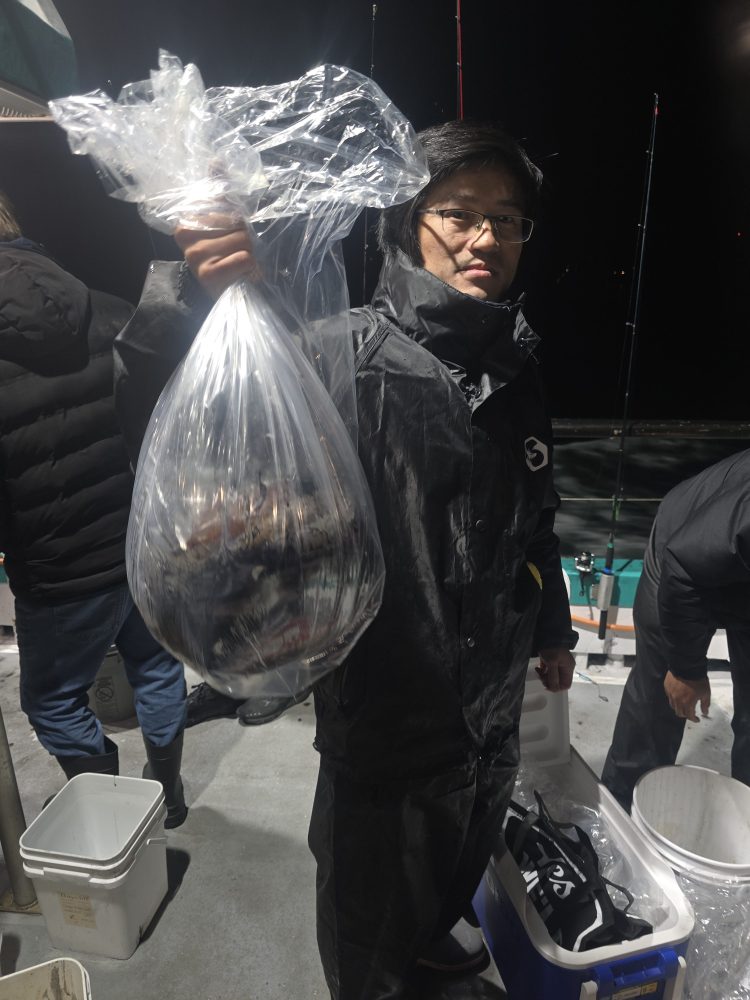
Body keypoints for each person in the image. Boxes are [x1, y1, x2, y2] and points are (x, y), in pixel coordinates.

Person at [113, 120, 577, 998]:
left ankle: (432, 933)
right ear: (409, 223)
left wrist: (550, 623)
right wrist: (201, 291)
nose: (486, 239)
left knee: (454, 872)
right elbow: (190, 426)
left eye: (507, 221)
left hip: (490, 725)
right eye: (459, 214)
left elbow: (535, 524)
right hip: (386, 738)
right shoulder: (341, 355)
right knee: (367, 936)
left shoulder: (518, 371)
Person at [0, 192, 188, 827]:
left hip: (57, 573)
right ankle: (169, 792)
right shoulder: (108, 311)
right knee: (159, 667)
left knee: (53, 701)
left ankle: (107, 802)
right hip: (139, 545)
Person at [601, 448, 750, 811]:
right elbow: (683, 565)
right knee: (661, 697)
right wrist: (686, 668)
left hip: (741, 579)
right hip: (682, 556)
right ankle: (618, 813)